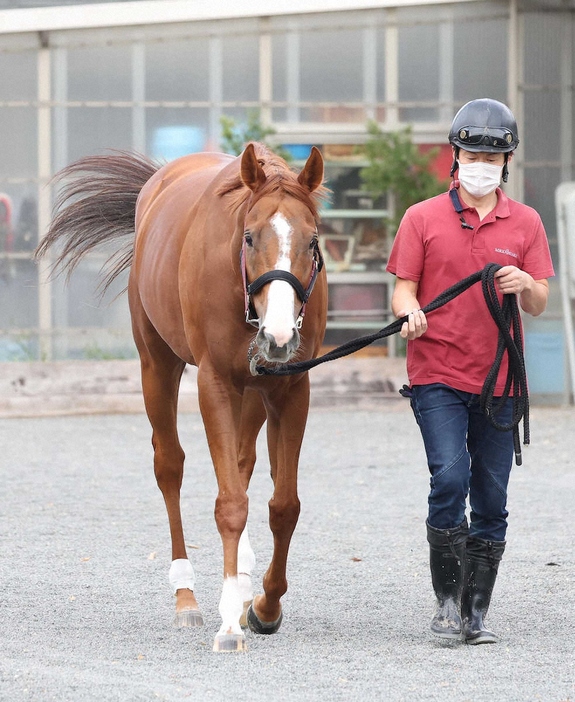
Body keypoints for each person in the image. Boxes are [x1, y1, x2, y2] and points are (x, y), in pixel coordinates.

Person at [386, 98, 555, 644]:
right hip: (437, 372)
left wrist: (525, 285)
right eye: (472, 152)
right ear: (455, 156)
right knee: (450, 479)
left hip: (502, 381)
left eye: (494, 154)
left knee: (491, 497)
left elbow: (540, 302)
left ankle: (475, 611)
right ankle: (447, 600)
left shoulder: (526, 222)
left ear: (507, 160)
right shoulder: (421, 218)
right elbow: (403, 288)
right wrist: (408, 312)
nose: (482, 162)